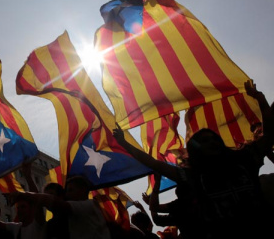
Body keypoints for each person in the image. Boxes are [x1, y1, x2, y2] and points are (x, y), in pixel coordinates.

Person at [113, 80, 274, 239]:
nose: (210, 142)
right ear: (196, 153)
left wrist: (259, 98)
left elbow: (269, 134)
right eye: (204, 141)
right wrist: (124, 143)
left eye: (213, 139)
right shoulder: (194, 176)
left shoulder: (244, 160)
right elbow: (154, 163)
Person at [8, 176, 111, 239]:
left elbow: (55, 203)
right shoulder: (51, 224)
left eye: (70, 190)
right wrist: (28, 175)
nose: (68, 194)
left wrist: (24, 195)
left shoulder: (90, 205)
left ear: (83, 190)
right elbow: (38, 205)